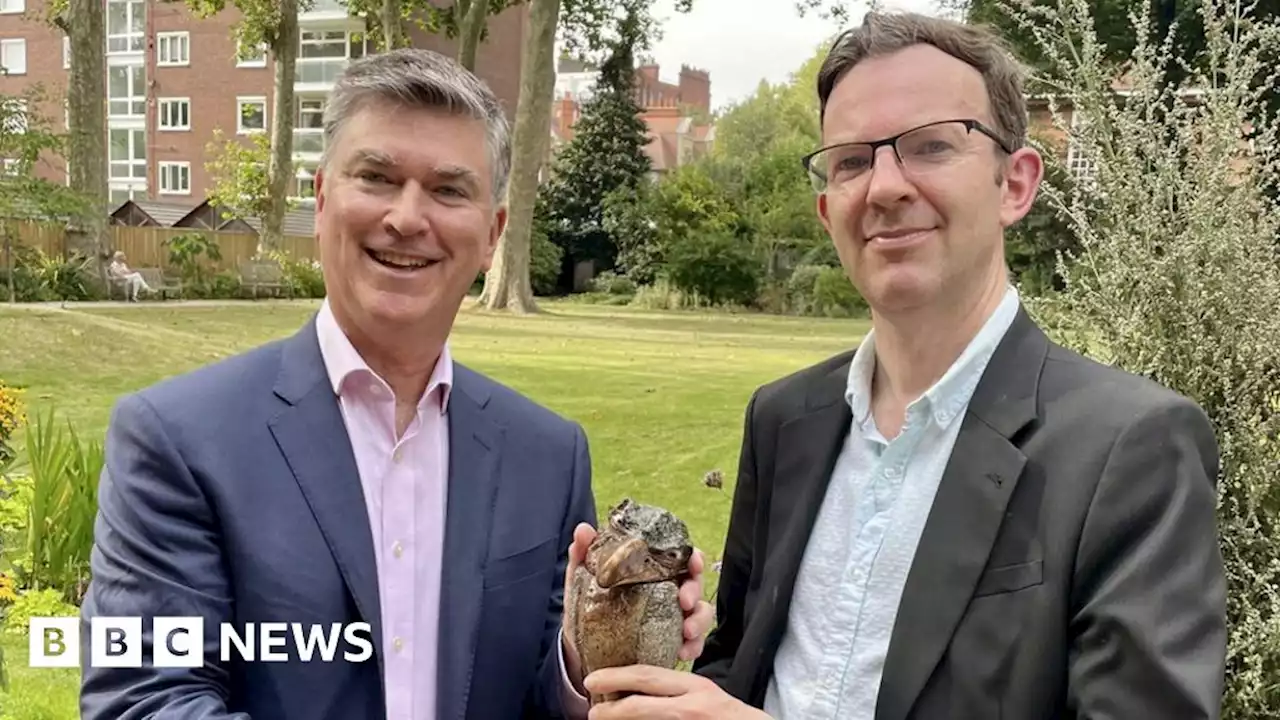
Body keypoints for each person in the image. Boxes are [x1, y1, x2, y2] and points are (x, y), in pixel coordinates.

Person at [583, 10, 1227, 720]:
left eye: (929, 146)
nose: (885, 187)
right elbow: (741, 669)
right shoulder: (784, 420)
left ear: (1015, 184)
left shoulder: (1129, 449)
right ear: (829, 213)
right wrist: (614, 645)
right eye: (853, 160)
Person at [78, 48, 712, 720]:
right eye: (377, 177)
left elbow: (533, 697)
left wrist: (583, 664)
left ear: (493, 232)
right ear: (322, 201)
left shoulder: (549, 456)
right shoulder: (179, 440)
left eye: (448, 190)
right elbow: (145, 701)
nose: (409, 218)